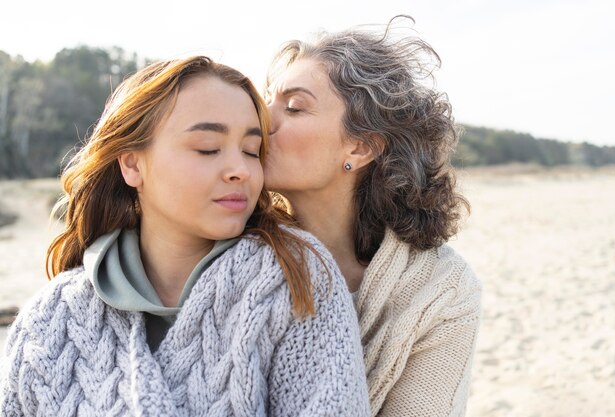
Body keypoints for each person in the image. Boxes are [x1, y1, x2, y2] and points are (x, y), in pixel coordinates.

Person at [0, 56, 370, 416]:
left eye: (252, 151)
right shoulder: (49, 319)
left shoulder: (297, 280)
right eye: (208, 148)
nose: (240, 170)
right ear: (132, 163)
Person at [264, 17, 482, 417]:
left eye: (293, 107)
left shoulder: (441, 290)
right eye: (266, 101)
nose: (263, 121)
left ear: (361, 148)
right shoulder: (229, 249)